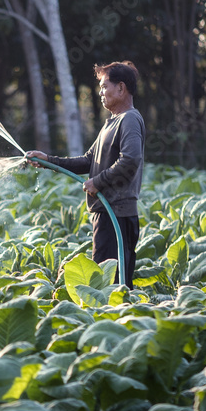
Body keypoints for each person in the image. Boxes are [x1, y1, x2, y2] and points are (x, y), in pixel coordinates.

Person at [26, 61, 145, 288]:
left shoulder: (129, 119)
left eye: (104, 86)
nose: (100, 92)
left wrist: (98, 182)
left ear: (121, 88)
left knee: (109, 285)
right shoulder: (111, 123)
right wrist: (48, 160)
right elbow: (88, 161)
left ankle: (116, 321)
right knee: (109, 282)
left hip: (116, 214)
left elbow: (131, 159)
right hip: (107, 213)